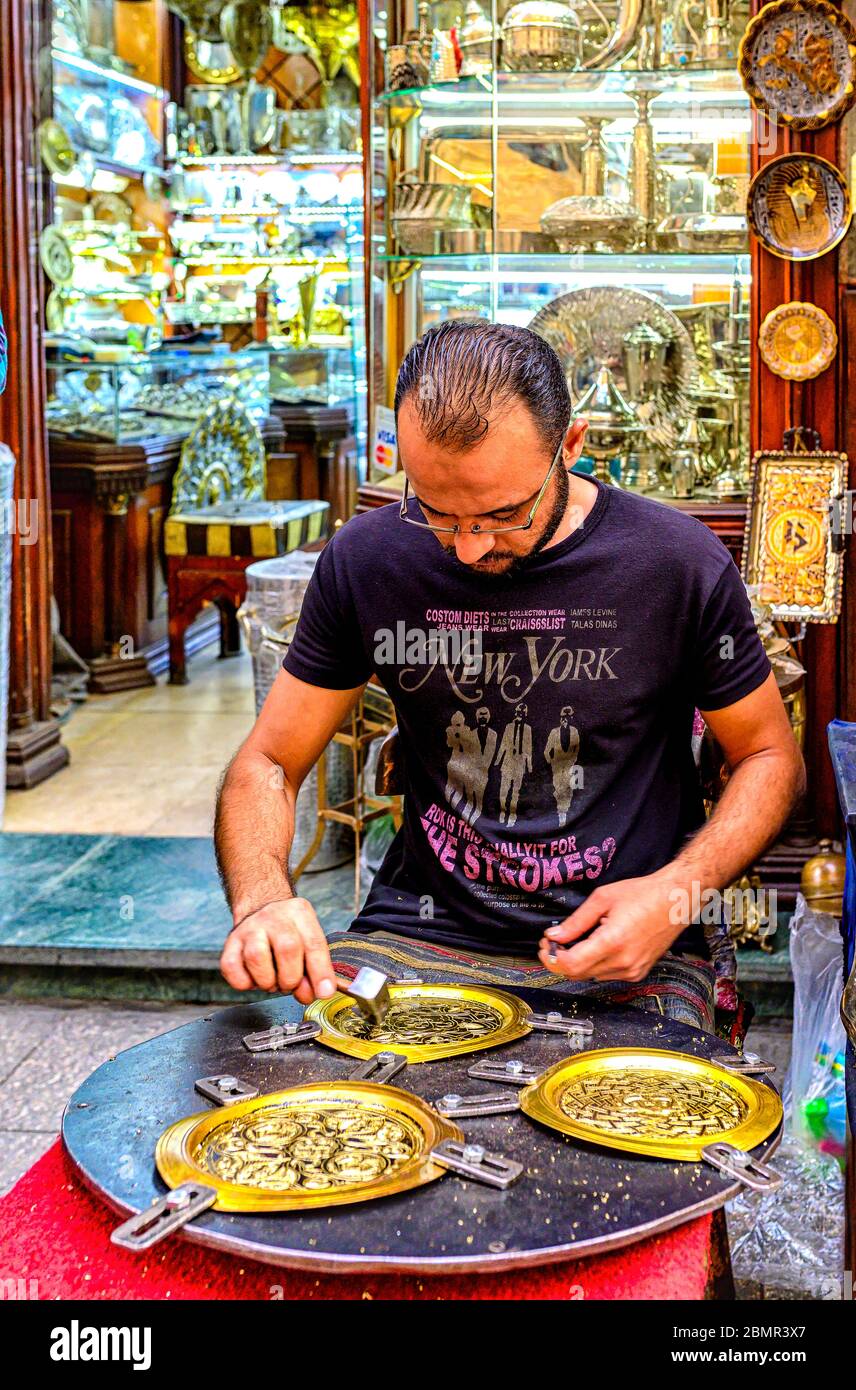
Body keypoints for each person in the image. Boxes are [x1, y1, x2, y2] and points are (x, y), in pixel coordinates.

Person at [215, 319, 804, 1010]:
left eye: (502, 514)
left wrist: (676, 895)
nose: (466, 548)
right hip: (420, 931)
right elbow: (268, 765)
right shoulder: (368, 559)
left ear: (572, 447)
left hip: (629, 937)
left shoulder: (674, 563)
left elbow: (771, 758)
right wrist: (262, 902)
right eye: (435, 512)